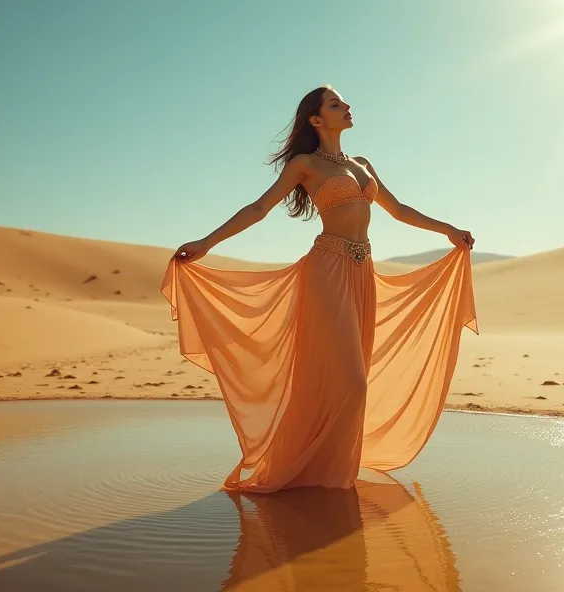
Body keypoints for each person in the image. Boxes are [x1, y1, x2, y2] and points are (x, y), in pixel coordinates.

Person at [162, 84, 478, 493]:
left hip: (363, 271)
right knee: (353, 381)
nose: (347, 107)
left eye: (344, 102)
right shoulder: (304, 164)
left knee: (349, 376)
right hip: (328, 269)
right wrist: (207, 242)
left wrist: (449, 230)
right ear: (316, 119)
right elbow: (259, 208)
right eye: (335, 104)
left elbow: (398, 210)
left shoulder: (362, 164)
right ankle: (325, 481)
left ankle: (325, 476)